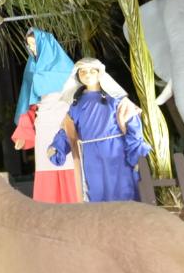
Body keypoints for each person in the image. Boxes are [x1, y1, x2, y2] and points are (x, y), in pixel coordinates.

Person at [48, 59, 150, 202]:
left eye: (92, 71)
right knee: (97, 193)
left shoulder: (116, 99)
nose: (87, 75)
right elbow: (68, 130)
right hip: (92, 157)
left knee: (124, 190)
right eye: (83, 72)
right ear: (77, 76)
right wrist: (57, 147)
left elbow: (132, 124)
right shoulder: (76, 105)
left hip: (117, 152)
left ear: (100, 73)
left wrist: (137, 152)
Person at [11, 28, 78, 203]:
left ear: (46, 45)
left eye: (35, 44)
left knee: (70, 162)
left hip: (65, 121)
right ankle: (49, 207)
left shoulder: (68, 68)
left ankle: (76, 205)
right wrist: (23, 134)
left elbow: (78, 100)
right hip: (44, 123)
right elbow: (28, 105)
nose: (32, 49)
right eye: (29, 45)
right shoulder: (31, 70)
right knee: (46, 164)